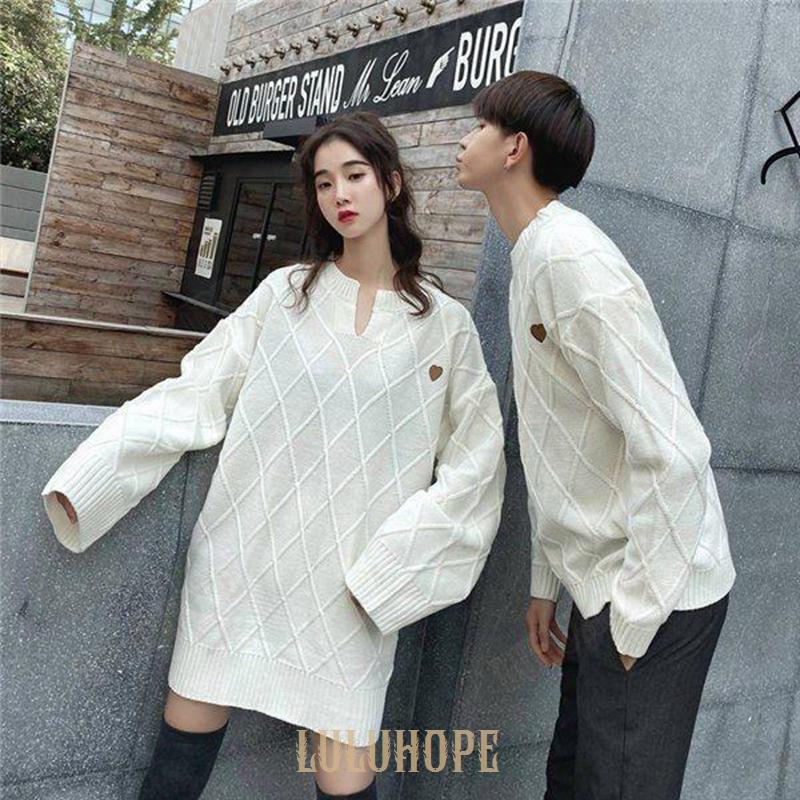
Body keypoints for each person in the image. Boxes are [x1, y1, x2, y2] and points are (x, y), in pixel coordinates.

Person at [41, 110, 507, 800]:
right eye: (324, 182)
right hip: (242, 567)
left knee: (345, 779)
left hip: (353, 592)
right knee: (176, 768)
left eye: (355, 175)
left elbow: (478, 467)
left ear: (391, 183)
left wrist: (395, 572)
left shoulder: (445, 326)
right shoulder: (283, 296)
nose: (340, 193)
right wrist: (88, 480)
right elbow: (197, 391)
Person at [454, 70, 737, 799]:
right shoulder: (534, 255)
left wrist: (633, 623)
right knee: (571, 782)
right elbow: (557, 442)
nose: (464, 138)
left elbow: (676, 449)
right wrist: (547, 584)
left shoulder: (572, 261)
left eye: (479, 125)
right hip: (608, 586)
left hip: (656, 591)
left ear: (514, 148)